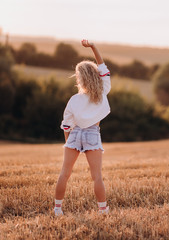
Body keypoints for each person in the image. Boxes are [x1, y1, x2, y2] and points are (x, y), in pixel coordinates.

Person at [54, 39, 111, 216]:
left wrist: (70, 143)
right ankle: (103, 209)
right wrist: (93, 47)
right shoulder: (102, 91)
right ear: (95, 75)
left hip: (74, 134)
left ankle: (57, 209)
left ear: (80, 79)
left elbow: (66, 126)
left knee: (64, 174)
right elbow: (102, 66)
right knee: (97, 177)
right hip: (93, 133)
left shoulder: (74, 99)